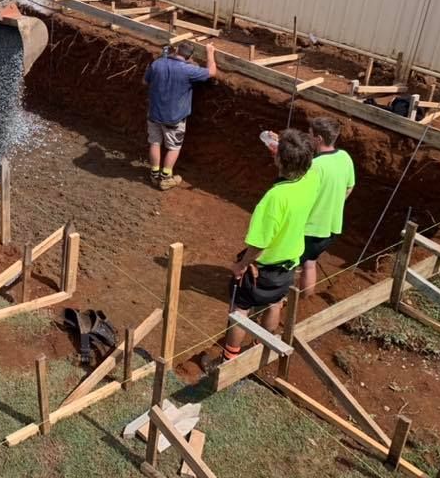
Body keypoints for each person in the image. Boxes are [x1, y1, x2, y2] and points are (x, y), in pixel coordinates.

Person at [221, 129, 318, 362]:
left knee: (239, 311)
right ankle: (259, 349)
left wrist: (242, 265)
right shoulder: (311, 179)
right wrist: (282, 146)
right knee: (275, 303)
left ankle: (228, 361)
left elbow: (258, 244)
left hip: (261, 268)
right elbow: (301, 157)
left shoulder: (275, 198)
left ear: (278, 160)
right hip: (290, 263)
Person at [142, 42, 217, 190]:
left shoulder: (157, 63)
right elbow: (211, 72)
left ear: (175, 50)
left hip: (154, 114)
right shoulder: (189, 70)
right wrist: (210, 52)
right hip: (174, 118)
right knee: (173, 147)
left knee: (155, 143)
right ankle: (165, 178)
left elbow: (144, 81)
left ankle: (154, 174)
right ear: (190, 57)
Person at [301, 116, 355, 298]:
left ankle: (282, 299)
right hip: (331, 226)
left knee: (292, 264)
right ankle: (305, 299)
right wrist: (336, 202)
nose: (308, 137)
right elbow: (350, 186)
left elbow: (300, 193)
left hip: (309, 227)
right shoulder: (345, 157)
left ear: (319, 139)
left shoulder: (315, 166)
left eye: (310, 134)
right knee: (310, 262)